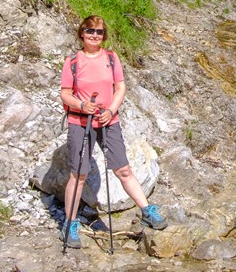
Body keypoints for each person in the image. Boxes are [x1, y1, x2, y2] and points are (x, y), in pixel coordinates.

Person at [59, 15, 167, 248]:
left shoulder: (111, 58)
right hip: (80, 122)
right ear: (81, 33)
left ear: (104, 35)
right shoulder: (72, 61)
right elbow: (65, 93)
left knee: (123, 169)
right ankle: (70, 224)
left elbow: (120, 87)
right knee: (79, 174)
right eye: (90, 31)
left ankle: (147, 210)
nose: (94, 35)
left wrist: (110, 110)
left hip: (108, 121)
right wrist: (81, 105)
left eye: (99, 32)